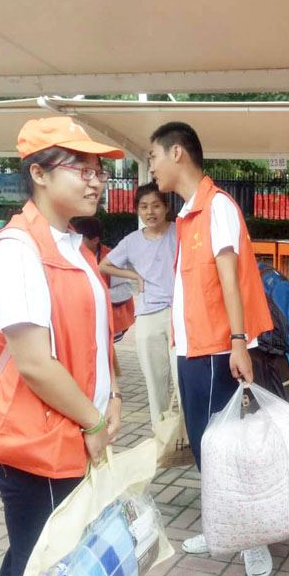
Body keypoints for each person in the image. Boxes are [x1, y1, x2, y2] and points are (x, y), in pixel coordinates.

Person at [0, 116, 124, 576]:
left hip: (67, 433)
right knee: (42, 571)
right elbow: (36, 364)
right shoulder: (17, 252)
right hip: (35, 445)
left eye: (99, 170)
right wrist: (94, 420)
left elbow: (95, 335)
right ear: (38, 174)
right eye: (81, 169)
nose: (96, 181)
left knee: (31, 562)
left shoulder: (74, 246)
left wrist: (113, 394)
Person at [148, 121, 274, 576]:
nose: (151, 167)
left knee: (227, 446)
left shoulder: (216, 206)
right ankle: (222, 527)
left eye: (153, 156)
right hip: (192, 349)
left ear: (176, 152)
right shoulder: (188, 214)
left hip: (218, 349)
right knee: (207, 446)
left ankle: (254, 538)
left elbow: (229, 279)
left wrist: (238, 342)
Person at [98, 183, 181, 428]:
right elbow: (104, 265)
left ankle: (187, 436)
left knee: (183, 380)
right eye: (144, 207)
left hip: (180, 314)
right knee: (155, 383)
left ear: (166, 207)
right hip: (147, 316)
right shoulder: (131, 241)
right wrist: (134, 275)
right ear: (137, 210)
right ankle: (161, 435)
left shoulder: (180, 231)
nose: (150, 212)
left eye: (156, 205)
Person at [73, 216, 137, 347]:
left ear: (95, 240)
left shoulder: (112, 258)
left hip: (110, 317)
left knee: (103, 348)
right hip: (80, 316)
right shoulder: (70, 255)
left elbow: (125, 291)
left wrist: (94, 294)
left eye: (79, 239)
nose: (74, 243)